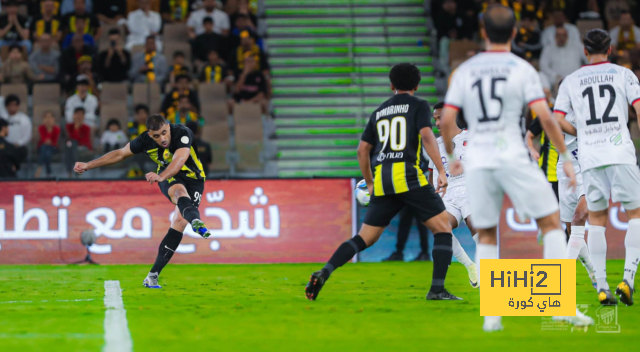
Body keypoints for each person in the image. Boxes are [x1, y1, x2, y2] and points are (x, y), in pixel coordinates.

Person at [440, 4, 590, 331]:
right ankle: (561, 306)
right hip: (510, 153)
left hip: (477, 158)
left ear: (482, 33)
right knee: (551, 222)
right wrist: (565, 158)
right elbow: (546, 116)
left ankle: (492, 317)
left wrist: (451, 155)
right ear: (513, 33)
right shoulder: (522, 68)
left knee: (487, 232)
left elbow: (448, 119)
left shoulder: (465, 70)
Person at [305, 63, 462, 302]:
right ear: (417, 85)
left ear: (392, 85)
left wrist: (369, 183)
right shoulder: (418, 105)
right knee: (443, 229)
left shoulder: (378, 112)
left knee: (365, 237)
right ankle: (437, 290)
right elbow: (427, 135)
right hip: (409, 175)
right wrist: (441, 169)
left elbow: (362, 150)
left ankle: (325, 271)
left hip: (383, 179)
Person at [73, 114, 213, 289]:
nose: (162, 139)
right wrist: (88, 165)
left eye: (164, 133)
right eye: (156, 136)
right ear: (149, 134)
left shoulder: (182, 133)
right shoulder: (143, 141)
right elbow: (119, 154)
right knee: (179, 192)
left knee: (178, 222)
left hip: (194, 180)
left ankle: (152, 276)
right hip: (169, 178)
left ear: (168, 127)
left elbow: (179, 160)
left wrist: (161, 175)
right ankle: (196, 221)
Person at [553, 29, 640, 307]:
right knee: (636, 215)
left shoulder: (571, 80)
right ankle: (628, 278)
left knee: (597, 221)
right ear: (611, 49)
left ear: (585, 50)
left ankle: (602, 287)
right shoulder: (623, 74)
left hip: (590, 157)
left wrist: (579, 134)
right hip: (621, 152)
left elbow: (556, 120)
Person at [425, 102, 478, 288]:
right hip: (449, 193)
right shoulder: (434, 145)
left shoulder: (471, 137)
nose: (437, 123)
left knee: (475, 226)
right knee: (441, 228)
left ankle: (486, 269)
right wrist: (434, 196)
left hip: (471, 188)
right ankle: (470, 266)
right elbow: (432, 174)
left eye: (440, 118)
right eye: (435, 120)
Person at [550, 109, 598, 289]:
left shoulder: (590, 111)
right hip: (564, 170)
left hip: (587, 169)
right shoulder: (556, 114)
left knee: (579, 218)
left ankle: (563, 278)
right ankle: (594, 272)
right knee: (573, 233)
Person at [525, 114, 559, 200]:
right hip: (550, 175)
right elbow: (528, 136)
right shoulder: (546, 113)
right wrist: (532, 150)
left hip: (574, 176)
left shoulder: (579, 113)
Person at [35, 110, 60, 178]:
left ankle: (39, 168)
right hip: (42, 148)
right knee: (46, 151)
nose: (48, 119)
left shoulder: (56, 129)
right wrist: (49, 130)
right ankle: (49, 173)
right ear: (43, 119)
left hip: (53, 148)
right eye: (46, 117)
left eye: (50, 117)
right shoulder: (41, 128)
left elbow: (53, 142)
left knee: (45, 148)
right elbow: (44, 140)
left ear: (53, 119)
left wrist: (49, 130)